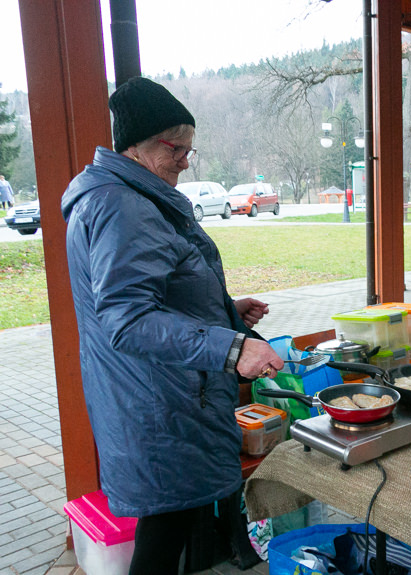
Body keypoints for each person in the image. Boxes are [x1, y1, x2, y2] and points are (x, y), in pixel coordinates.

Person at [60, 77, 284, 573]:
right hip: (158, 401)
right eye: (175, 147)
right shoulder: (123, 205)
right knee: (164, 535)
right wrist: (232, 348)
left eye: (189, 148)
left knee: (169, 525)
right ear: (136, 146)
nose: (185, 159)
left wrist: (225, 310)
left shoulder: (132, 195)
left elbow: (159, 288)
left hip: (163, 394)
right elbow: (129, 318)